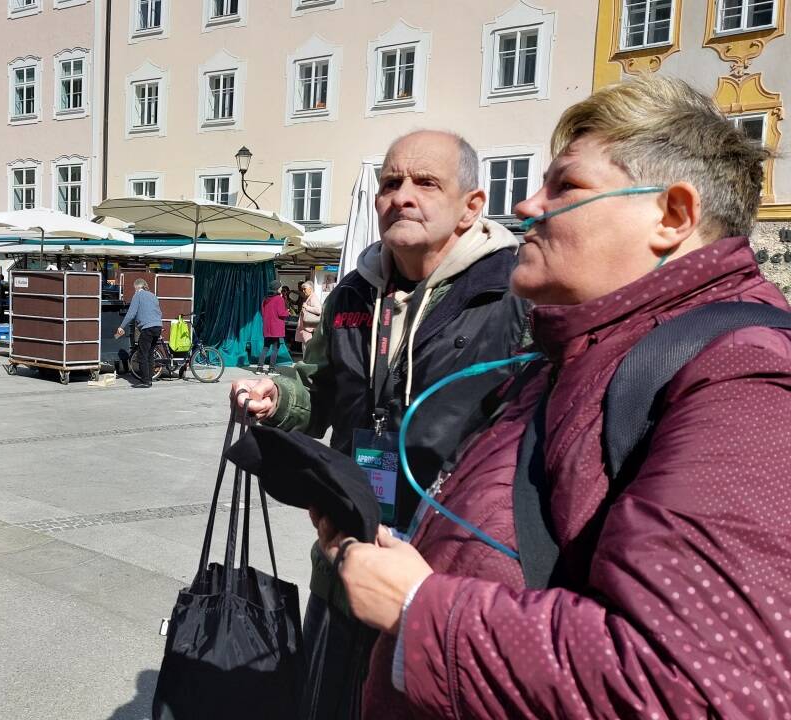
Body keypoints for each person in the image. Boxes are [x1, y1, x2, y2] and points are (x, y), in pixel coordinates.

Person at [324, 75, 791, 719]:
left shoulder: (744, 377)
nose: (525, 206)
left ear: (672, 215)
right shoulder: (576, 346)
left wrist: (419, 610)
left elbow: (696, 688)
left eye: (565, 186)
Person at [231, 130, 529, 718]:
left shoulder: (514, 290)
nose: (402, 196)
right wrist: (277, 397)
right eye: (390, 183)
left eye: (425, 182)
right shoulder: (355, 291)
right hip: (344, 554)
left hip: (443, 575)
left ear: (472, 205)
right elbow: (316, 386)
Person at [115, 277, 162, 388]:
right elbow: (159, 312)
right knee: (150, 354)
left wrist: (121, 326)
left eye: (134, 288)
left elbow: (131, 313)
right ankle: (150, 378)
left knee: (142, 354)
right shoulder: (153, 296)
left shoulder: (138, 295)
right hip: (157, 327)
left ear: (137, 287)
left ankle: (146, 381)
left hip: (147, 328)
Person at [259, 281, 290, 374]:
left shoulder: (265, 299)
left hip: (267, 327)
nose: (281, 288)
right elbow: (281, 313)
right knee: (275, 348)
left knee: (265, 347)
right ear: (277, 288)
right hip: (276, 328)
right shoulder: (279, 299)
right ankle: (271, 368)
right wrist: (287, 312)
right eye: (280, 287)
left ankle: (259, 368)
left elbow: (263, 313)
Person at [295, 280, 322, 346]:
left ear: (310, 289)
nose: (303, 291)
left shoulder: (313, 298)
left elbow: (319, 310)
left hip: (308, 329)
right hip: (307, 328)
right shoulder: (309, 297)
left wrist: (307, 307)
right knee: (305, 348)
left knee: (306, 348)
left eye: (304, 289)